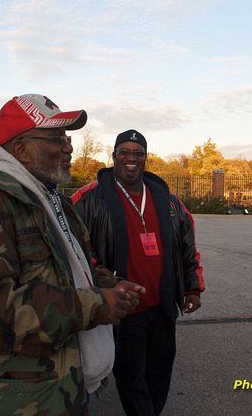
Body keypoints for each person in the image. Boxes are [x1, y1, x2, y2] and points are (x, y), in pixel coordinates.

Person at [0, 94, 144, 416]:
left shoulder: (52, 200)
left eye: (67, 138)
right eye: (56, 138)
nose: (69, 148)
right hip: (21, 402)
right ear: (21, 148)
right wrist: (95, 305)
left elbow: (72, 269)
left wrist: (109, 285)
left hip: (61, 391)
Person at [71, 130, 205, 416]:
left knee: (160, 373)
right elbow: (77, 252)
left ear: (145, 159)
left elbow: (187, 247)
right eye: (125, 152)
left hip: (162, 308)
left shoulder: (167, 201)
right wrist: (108, 283)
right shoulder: (89, 198)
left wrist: (192, 288)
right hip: (123, 312)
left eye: (138, 153)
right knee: (132, 378)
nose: (131, 158)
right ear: (114, 156)